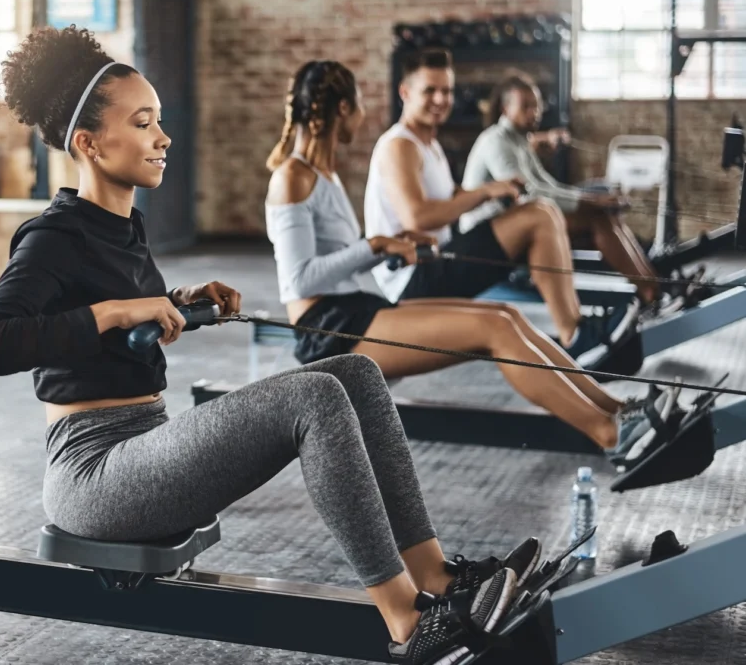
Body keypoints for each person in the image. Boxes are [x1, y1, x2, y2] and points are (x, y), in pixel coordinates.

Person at [0, 26, 537, 665]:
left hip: (144, 442)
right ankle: (408, 625)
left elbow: (115, 329)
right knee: (315, 396)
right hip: (95, 474)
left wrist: (183, 303)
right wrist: (116, 310)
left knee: (353, 369)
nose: (164, 138)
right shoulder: (51, 237)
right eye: (143, 123)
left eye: (158, 122)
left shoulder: (123, 226)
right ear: (90, 143)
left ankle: (436, 577)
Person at [264, 60, 660, 466]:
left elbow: (340, 263)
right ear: (344, 109)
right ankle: (611, 435)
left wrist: (395, 246)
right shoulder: (292, 176)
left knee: (505, 316)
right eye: (361, 104)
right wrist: (375, 244)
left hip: (353, 311)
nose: (365, 115)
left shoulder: (322, 174)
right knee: (493, 331)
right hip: (327, 330)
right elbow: (298, 281)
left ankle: (617, 409)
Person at [362, 48, 628, 360]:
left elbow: (448, 199)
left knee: (541, 212)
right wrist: (485, 191)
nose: (440, 99)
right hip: (414, 278)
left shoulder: (428, 144)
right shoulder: (400, 145)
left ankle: (577, 329)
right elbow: (417, 218)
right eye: (430, 91)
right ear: (405, 92)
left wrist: (497, 192)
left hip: (439, 257)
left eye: (446, 91)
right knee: (540, 214)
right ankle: (575, 334)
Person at [460, 72, 661, 306]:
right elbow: (530, 193)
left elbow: (548, 185)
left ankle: (654, 284)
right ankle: (650, 292)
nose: (534, 113)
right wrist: (590, 202)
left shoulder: (519, 140)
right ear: (506, 109)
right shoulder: (495, 141)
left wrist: (594, 199)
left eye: (536, 106)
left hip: (515, 221)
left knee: (605, 215)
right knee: (597, 218)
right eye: (525, 107)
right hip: (485, 235)